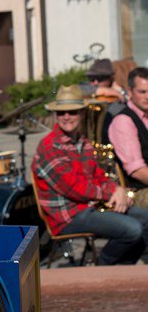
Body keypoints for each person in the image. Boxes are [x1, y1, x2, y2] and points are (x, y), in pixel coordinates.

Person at [32, 84, 148, 265]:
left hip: (89, 206)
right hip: (67, 216)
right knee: (132, 229)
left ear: (82, 113)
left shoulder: (83, 142)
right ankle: (102, 268)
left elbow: (99, 176)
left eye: (73, 111)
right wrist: (111, 193)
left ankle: (123, 271)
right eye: (61, 113)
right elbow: (73, 188)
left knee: (146, 220)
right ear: (55, 115)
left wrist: (117, 190)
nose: (67, 117)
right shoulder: (49, 146)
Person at [108, 67, 148, 198]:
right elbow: (137, 171)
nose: (147, 96)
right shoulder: (124, 121)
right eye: (142, 92)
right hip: (138, 192)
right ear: (130, 92)